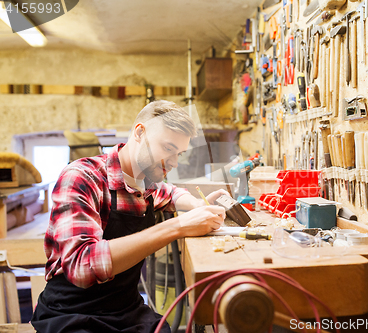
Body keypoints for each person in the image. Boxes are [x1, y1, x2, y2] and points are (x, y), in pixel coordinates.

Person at [31, 100, 228, 333]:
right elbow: (82, 266)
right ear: (140, 133)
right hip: (72, 313)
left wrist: (196, 205)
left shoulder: (146, 181)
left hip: (126, 309)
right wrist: (178, 226)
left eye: (179, 153)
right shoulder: (82, 177)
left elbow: (171, 192)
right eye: (167, 149)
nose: (174, 163)